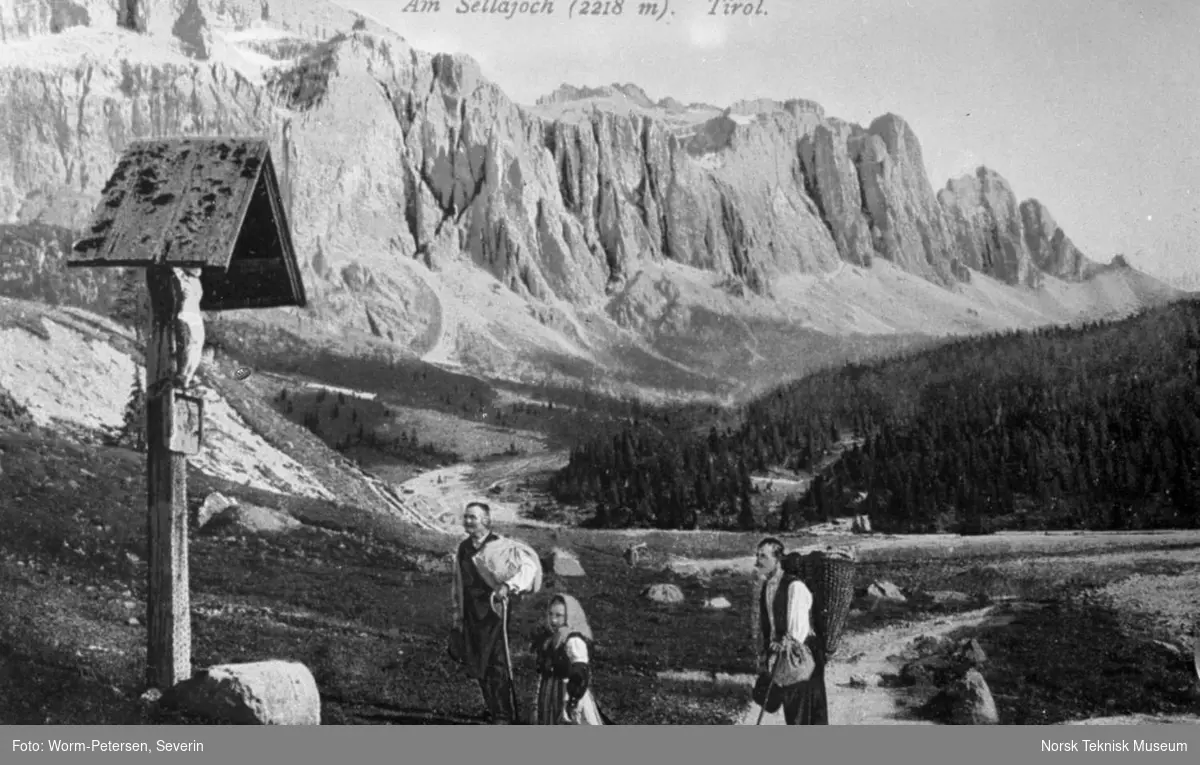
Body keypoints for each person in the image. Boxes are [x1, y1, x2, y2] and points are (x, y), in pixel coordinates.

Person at [450, 501, 541, 724]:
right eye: (466, 517)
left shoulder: (501, 546)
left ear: (486, 521)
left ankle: (504, 715)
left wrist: (508, 586)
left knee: (496, 664)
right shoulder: (463, 548)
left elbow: (529, 567)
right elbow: (458, 583)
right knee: (477, 663)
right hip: (471, 615)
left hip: (494, 614)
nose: (468, 521)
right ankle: (493, 708)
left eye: (473, 517)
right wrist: (457, 613)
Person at [752, 537, 829, 725]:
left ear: (777, 560)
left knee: (803, 713)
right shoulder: (767, 587)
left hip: (802, 657)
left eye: (763, 556)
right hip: (783, 655)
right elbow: (767, 624)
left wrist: (783, 644)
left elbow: (798, 630)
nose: (757, 561)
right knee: (791, 710)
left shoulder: (794, 586)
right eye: (757, 555)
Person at [531, 594, 608, 725]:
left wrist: (573, 699)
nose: (553, 620)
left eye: (559, 616)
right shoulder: (549, 638)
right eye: (551, 614)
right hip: (550, 692)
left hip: (567, 693)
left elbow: (580, 671)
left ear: (569, 616)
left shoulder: (573, 640)